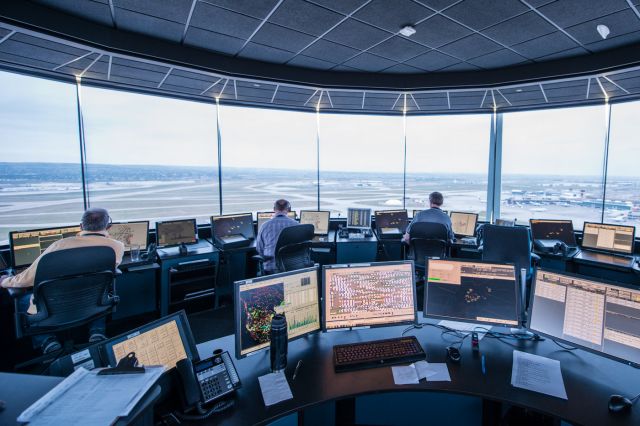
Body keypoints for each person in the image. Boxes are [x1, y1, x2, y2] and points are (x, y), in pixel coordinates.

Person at [0, 208, 125, 354]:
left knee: (22, 298)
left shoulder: (59, 246)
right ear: (108, 226)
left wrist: (5, 280)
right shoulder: (117, 247)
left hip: (55, 307)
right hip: (92, 304)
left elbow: (25, 280)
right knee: (101, 288)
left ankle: (47, 341)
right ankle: (97, 332)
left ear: (81, 226)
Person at [256, 199, 299, 273]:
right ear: (288, 209)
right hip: (292, 266)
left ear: (274, 209)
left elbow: (259, 249)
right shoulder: (296, 225)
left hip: (271, 268)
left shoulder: (265, 226)